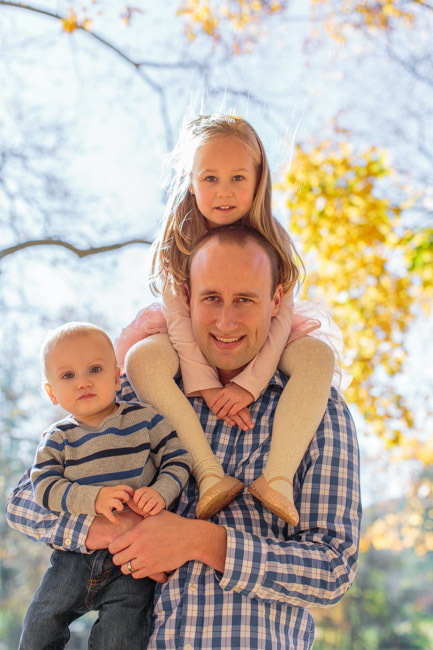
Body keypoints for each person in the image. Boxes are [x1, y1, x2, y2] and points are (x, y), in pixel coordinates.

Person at [7, 225, 362, 650]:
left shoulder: (317, 407)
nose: (226, 321)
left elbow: (333, 568)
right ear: (187, 299)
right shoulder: (131, 396)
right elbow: (24, 502)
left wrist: (203, 542)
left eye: (245, 300)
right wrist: (109, 526)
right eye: (211, 297)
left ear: (276, 301)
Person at [115, 113, 345, 526]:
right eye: (210, 179)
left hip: (266, 335)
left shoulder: (274, 239)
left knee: (316, 356)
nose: (224, 192)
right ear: (190, 181)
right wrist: (203, 384)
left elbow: (280, 320)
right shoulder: (178, 237)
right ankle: (208, 473)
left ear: (259, 181)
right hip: (186, 334)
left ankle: (278, 477)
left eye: (238, 178)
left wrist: (248, 384)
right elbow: (181, 323)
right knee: (142, 360)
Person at [16, 322, 191, 650]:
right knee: (40, 623)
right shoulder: (58, 437)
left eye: (94, 369)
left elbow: (178, 460)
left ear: (115, 376)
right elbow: (45, 486)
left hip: (133, 562)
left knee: (122, 636)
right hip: (73, 558)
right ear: (52, 392)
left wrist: (161, 491)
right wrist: (93, 499)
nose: (82, 382)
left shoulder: (145, 419)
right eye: (67, 376)